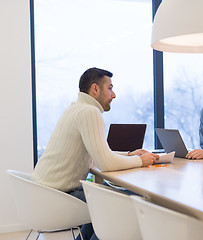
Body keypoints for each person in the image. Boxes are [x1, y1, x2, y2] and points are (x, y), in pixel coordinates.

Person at [32, 67, 159, 240]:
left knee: (103, 196)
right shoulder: (89, 112)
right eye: (110, 88)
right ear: (95, 89)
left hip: (43, 193)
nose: (114, 95)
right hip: (57, 196)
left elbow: (98, 155)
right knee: (119, 203)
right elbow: (105, 162)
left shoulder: (76, 109)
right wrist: (140, 161)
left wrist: (129, 155)